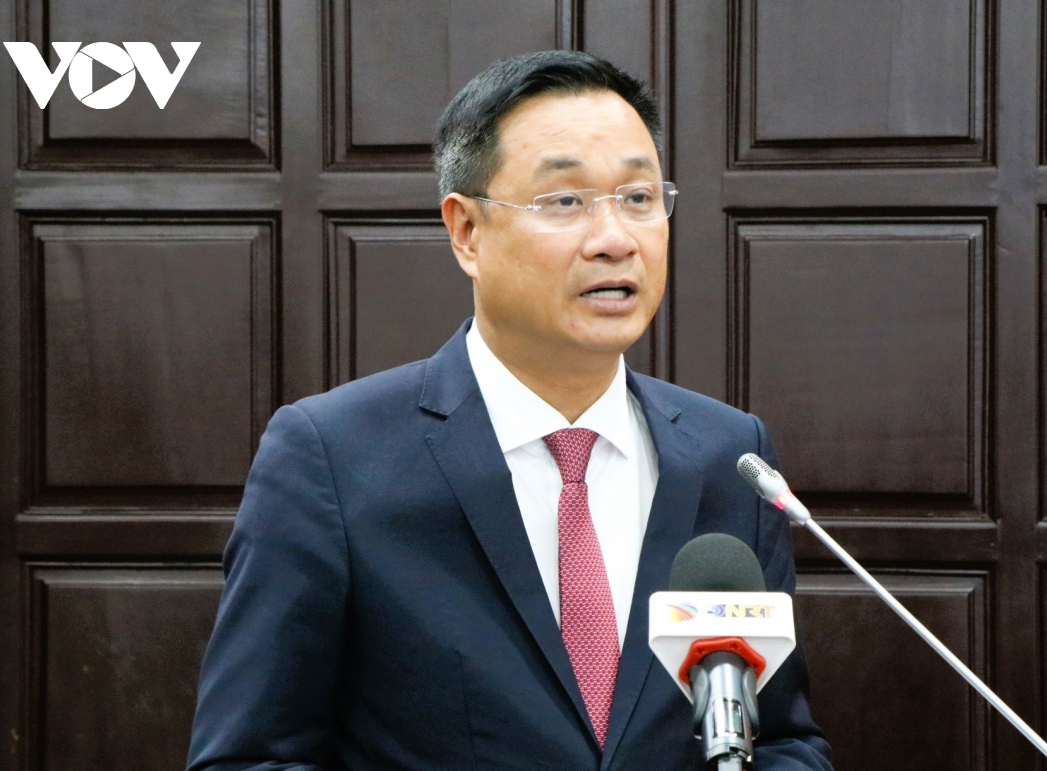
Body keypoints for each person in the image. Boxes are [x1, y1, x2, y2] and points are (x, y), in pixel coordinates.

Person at [187, 50, 832, 771]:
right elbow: (247, 759)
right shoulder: (331, 458)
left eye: (639, 197)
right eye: (565, 202)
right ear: (466, 230)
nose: (615, 238)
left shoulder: (731, 457)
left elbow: (781, 739)